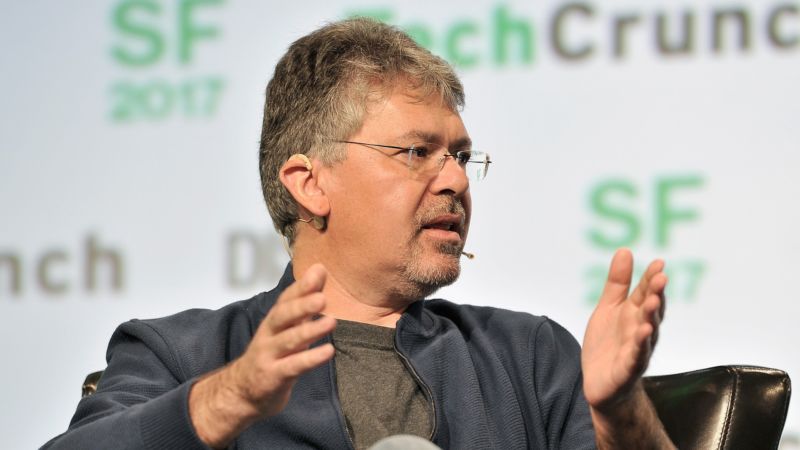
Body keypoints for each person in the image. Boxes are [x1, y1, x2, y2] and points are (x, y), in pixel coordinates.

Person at [44, 18, 674, 449]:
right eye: (417, 151)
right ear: (309, 182)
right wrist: (227, 399)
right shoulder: (180, 353)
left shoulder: (526, 355)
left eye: (459, 155)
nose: (454, 178)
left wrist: (622, 411)